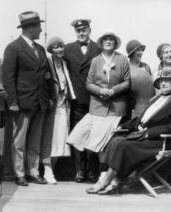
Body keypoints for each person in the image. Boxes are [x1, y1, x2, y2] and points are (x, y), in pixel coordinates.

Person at [85, 68, 171, 194]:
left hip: (158, 141)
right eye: (161, 81)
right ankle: (110, 179)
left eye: (167, 81)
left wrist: (150, 132)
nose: (164, 84)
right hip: (144, 138)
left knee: (123, 145)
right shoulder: (155, 99)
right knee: (114, 140)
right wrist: (123, 126)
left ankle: (108, 181)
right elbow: (140, 120)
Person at [66, 32, 130, 181]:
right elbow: (88, 83)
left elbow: (127, 82)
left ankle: (102, 173)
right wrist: (100, 91)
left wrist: (113, 91)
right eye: (106, 40)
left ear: (115, 43)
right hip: (97, 106)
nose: (108, 42)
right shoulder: (96, 60)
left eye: (111, 40)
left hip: (116, 108)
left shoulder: (122, 59)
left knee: (104, 140)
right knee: (77, 135)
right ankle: (85, 171)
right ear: (101, 43)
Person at [2, 11, 54, 186]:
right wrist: (13, 102)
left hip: (41, 103)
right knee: (19, 141)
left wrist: (49, 98)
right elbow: (8, 78)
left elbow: (47, 75)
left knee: (35, 140)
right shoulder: (13, 48)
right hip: (23, 103)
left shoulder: (40, 49)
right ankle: (19, 174)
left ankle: (33, 171)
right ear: (30, 28)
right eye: (39, 26)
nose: (41, 30)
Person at [64, 19, 101, 183]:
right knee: (78, 134)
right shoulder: (67, 49)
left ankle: (92, 171)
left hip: (95, 100)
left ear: (90, 30)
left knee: (94, 135)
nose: (81, 33)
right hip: (77, 100)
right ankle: (79, 170)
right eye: (78, 30)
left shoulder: (99, 49)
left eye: (84, 30)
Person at [40, 37, 76, 184]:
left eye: (61, 46)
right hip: (52, 106)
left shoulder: (64, 63)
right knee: (50, 138)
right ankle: (47, 169)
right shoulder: (47, 63)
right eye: (56, 47)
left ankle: (51, 170)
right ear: (50, 50)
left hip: (63, 106)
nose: (60, 49)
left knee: (61, 139)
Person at [126, 39, 155, 118]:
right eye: (138, 50)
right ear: (131, 53)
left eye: (141, 50)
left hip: (147, 103)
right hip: (133, 106)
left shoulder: (146, 66)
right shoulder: (127, 67)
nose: (141, 53)